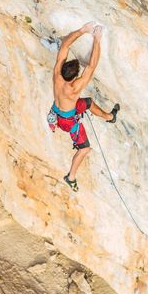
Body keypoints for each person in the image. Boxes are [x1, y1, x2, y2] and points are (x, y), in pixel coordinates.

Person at [52, 22, 120, 192]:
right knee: (85, 149)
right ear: (74, 77)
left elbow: (65, 44)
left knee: (87, 103)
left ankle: (110, 117)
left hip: (59, 112)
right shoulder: (74, 88)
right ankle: (71, 176)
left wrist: (83, 30)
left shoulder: (56, 76)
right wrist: (97, 39)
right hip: (69, 122)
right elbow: (91, 66)